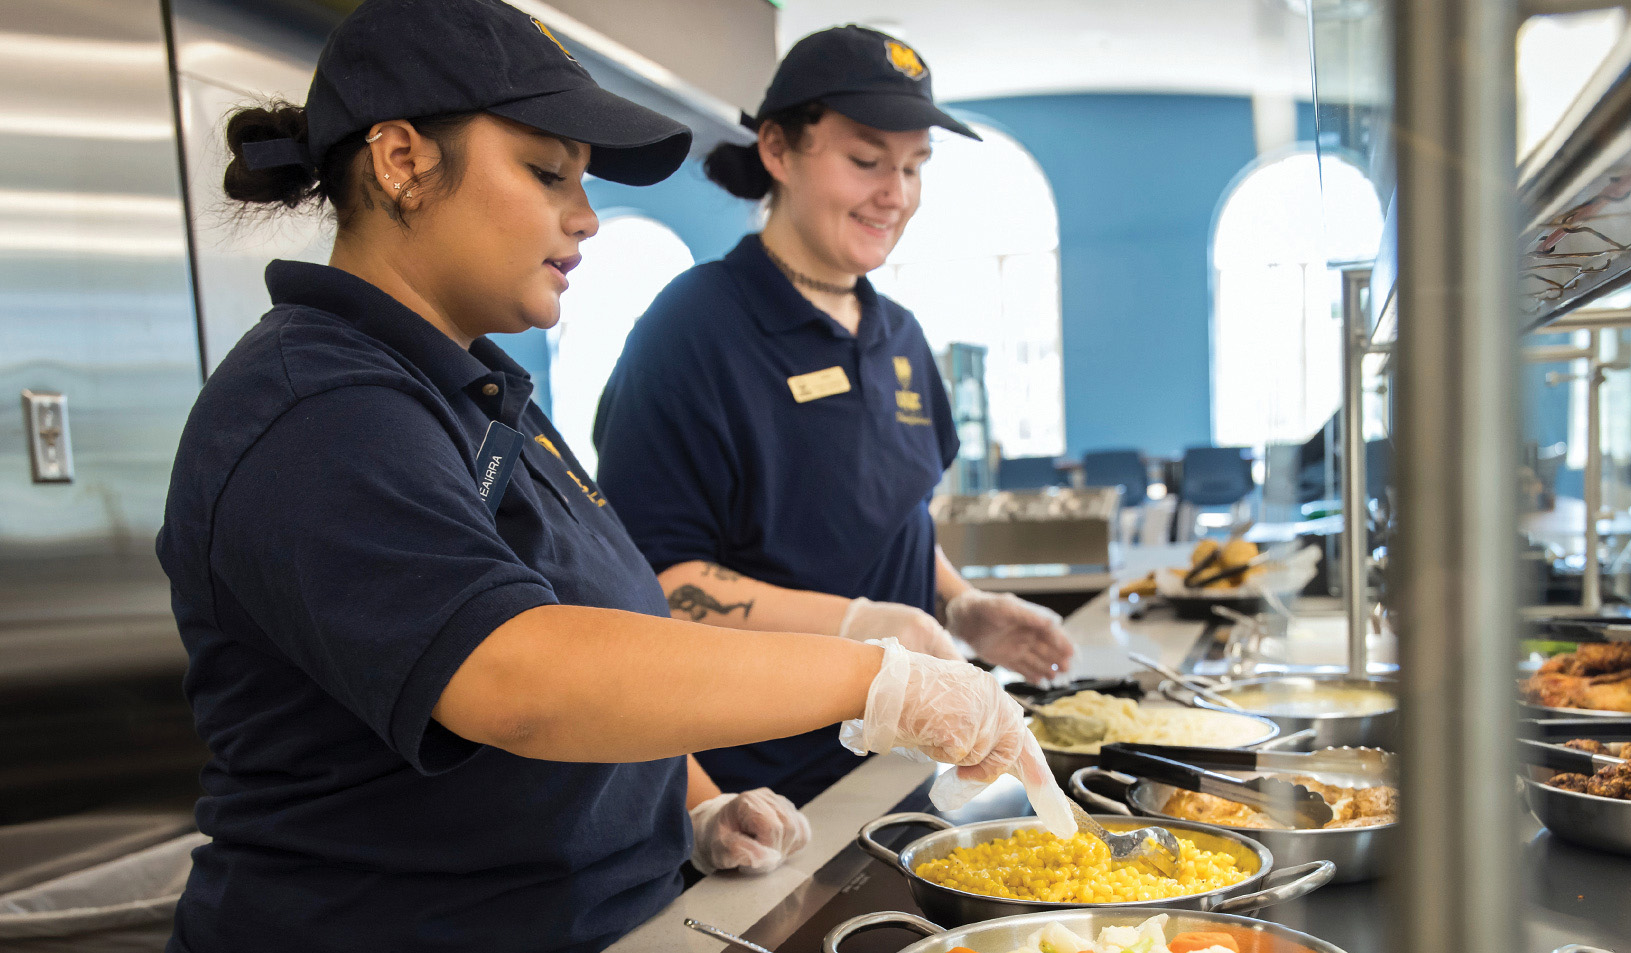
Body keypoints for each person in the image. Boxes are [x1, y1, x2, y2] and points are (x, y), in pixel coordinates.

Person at [155, 3, 1066, 951]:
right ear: (402, 161)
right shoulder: (318, 409)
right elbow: (520, 675)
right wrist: (881, 674)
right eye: (548, 173)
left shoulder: (476, 391)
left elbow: (613, 624)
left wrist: (696, 801)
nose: (585, 218)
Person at [593, 25, 1075, 807]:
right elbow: (660, 583)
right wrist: (861, 627)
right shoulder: (693, 330)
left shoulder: (902, 337)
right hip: (766, 788)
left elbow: (898, 515)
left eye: (915, 168)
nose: (898, 194)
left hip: (910, 759)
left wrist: (959, 603)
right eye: (866, 161)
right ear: (778, 150)